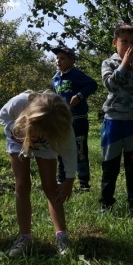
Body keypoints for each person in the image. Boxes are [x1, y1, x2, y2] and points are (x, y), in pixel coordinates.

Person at [0, 90, 77, 257]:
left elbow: (69, 152)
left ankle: (62, 236)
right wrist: (19, 129)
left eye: (45, 133)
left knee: (50, 187)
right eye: (39, 130)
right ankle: (24, 237)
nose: (39, 135)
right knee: (22, 185)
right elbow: (3, 117)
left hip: (45, 145)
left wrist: (69, 179)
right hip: (19, 136)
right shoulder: (19, 103)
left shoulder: (61, 124)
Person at [99, 23, 133, 221]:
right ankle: (106, 203)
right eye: (124, 42)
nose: (129, 46)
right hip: (113, 122)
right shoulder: (108, 64)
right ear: (115, 43)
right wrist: (123, 65)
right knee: (110, 166)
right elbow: (110, 85)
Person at [51, 46, 98, 192]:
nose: (59, 60)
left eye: (63, 58)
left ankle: (84, 182)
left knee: (80, 149)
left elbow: (92, 84)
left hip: (78, 119)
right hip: (62, 121)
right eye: (57, 58)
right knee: (61, 148)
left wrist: (79, 96)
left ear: (72, 60)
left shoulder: (76, 74)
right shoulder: (55, 79)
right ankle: (62, 179)